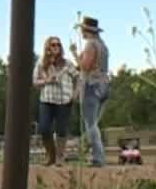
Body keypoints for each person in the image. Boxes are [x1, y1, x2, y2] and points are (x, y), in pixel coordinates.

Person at [70, 16, 111, 167]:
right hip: (104, 85)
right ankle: (96, 155)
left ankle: (98, 158)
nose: (81, 31)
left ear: (86, 30)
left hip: (92, 85)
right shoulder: (103, 45)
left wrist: (75, 53)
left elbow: (85, 67)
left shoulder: (90, 45)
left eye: (82, 29)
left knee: (90, 124)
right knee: (94, 123)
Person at [33, 35, 80, 166]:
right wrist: (47, 80)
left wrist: (75, 94)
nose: (56, 47)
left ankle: (60, 157)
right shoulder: (41, 63)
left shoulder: (67, 63)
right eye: (53, 45)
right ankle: (51, 155)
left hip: (64, 100)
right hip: (46, 99)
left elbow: (79, 78)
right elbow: (35, 82)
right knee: (44, 128)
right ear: (47, 47)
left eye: (58, 45)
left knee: (61, 129)